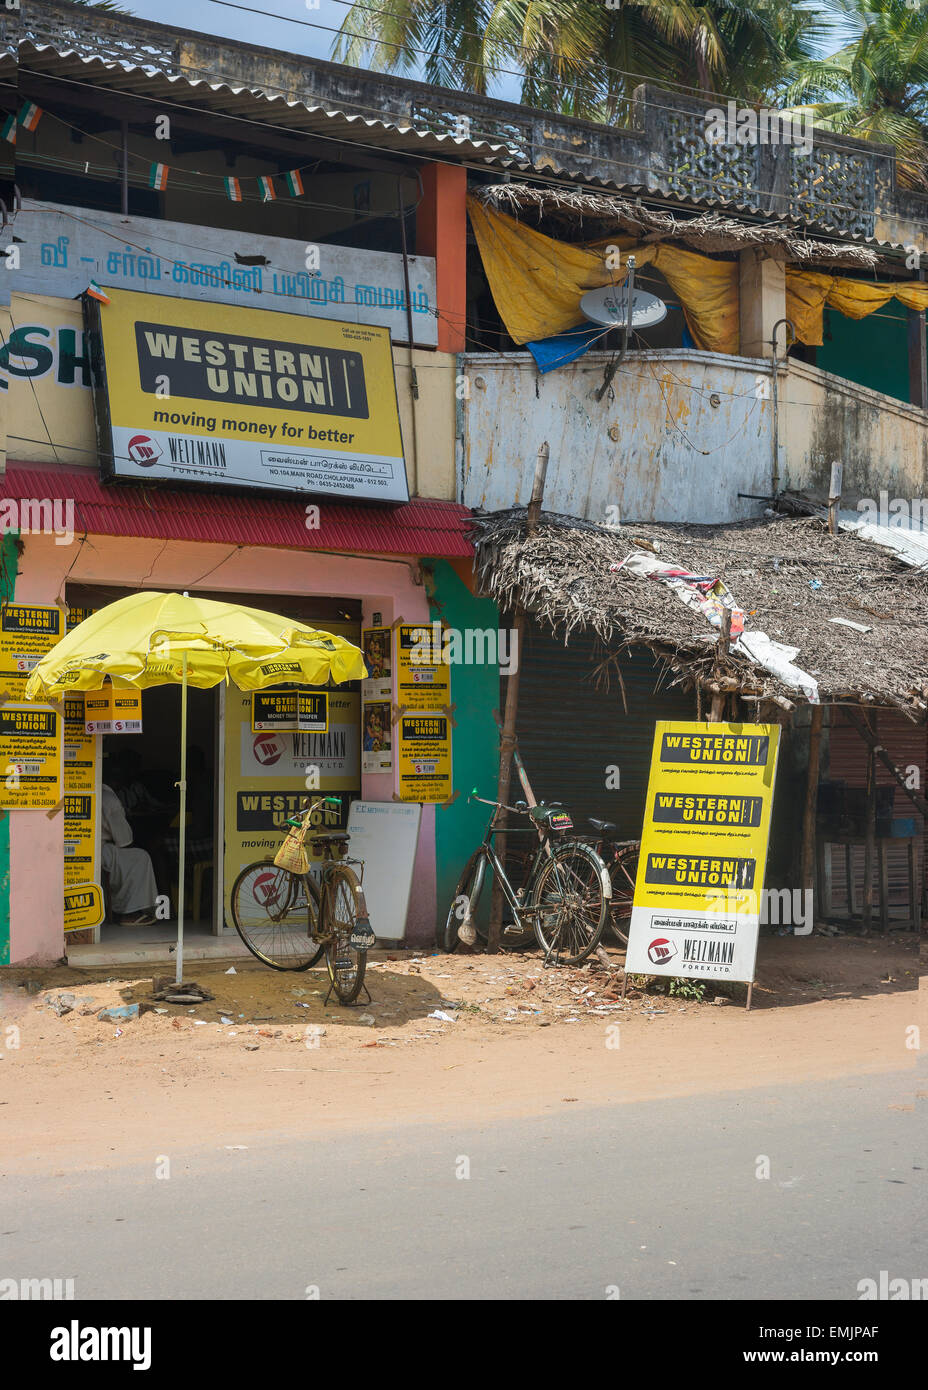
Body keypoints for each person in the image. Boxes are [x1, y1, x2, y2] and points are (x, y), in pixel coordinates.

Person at [101, 783, 159, 927]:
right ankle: (129, 912)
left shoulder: (65, 793)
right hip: (99, 851)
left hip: (73, 849)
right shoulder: (108, 799)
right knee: (140, 857)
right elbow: (125, 841)